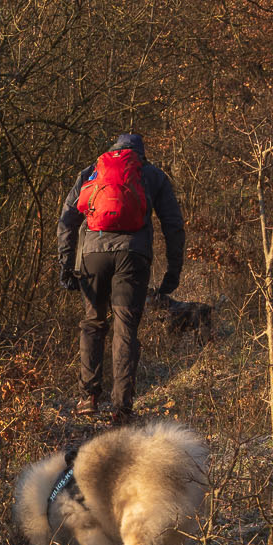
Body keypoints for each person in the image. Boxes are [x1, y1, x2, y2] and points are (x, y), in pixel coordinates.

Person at [57, 131, 185, 425]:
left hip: (93, 255)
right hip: (133, 255)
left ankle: (88, 398)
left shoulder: (92, 171)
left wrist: (66, 263)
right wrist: (172, 271)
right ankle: (121, 408)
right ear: (141, 154)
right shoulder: (152, 175)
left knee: (93, 322)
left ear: (113, 149)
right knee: (125, 328)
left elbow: (67, 219)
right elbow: (173, 225)